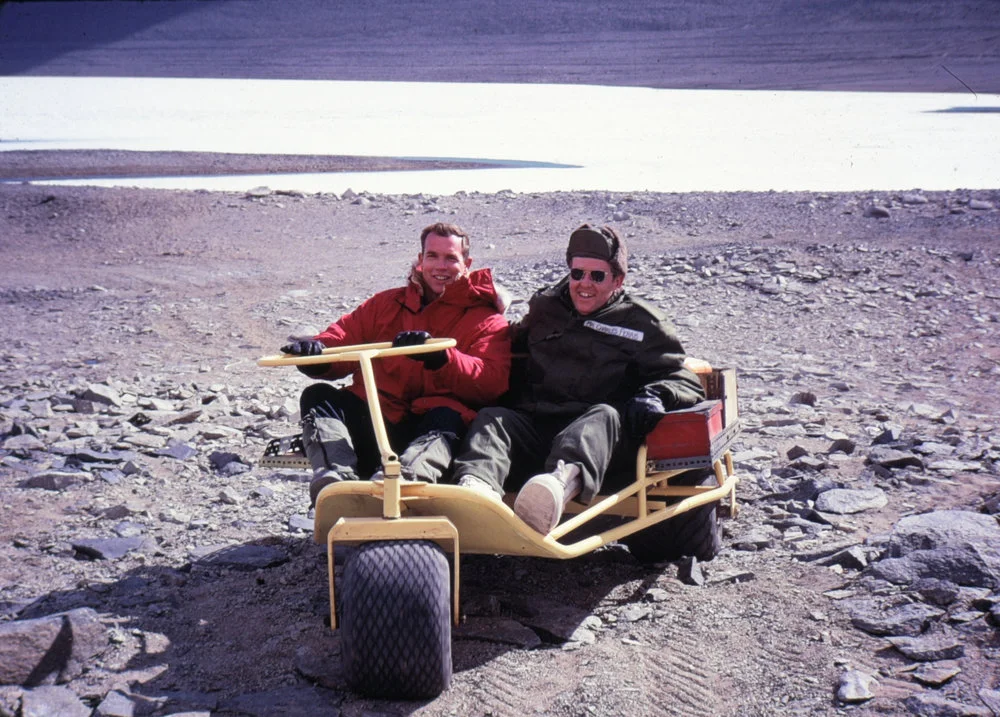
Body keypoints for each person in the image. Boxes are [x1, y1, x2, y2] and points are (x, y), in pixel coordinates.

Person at [451, 223, 706, 533]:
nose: (585, 284)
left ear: (618, 279)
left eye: (597, 276)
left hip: (602, 444)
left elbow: (684, 378)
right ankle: (477, 495)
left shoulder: (643, 323)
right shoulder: (546, 308)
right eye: (577, 274)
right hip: (540, 425)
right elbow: (508, 343)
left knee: (603, 415)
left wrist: (655, 394)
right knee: (494, 419)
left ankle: (553, 493)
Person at [281, 222, 510, 505]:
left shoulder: (486, 319)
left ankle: (408, 482)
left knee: (447, 416)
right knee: (318, 397)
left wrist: (443, 359)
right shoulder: (386, 305)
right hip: (378, 419)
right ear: (420, 259)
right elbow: (345, 336)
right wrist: (318, 354)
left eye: (451, 258)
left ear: (467, 263)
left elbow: (493, 382)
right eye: (432, 256)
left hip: (433, 430)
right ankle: (336, 480)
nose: (441, 266)